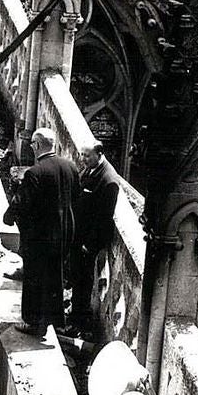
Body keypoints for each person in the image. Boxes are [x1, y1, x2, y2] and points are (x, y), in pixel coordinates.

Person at [10, 128, 77, 336]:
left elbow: (23, 203)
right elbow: (75, 196)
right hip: (64, 233)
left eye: (32, 144)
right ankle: (56, 321)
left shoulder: (35, 173)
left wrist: (9, 215)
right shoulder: (70, 167)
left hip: (40, 236)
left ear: (37, 145)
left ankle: (32, 322)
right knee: (56, 276)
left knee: (33, 277)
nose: (31, 147)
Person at [70, 139, 123, 335]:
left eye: (87, 156)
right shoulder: (91, 169)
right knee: (76, 277)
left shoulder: (109, 181)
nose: (83, 159)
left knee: (83, 282)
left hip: (88, 242)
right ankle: (75, 314)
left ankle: (78, 324)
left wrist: (89, 245)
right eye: (82, 155)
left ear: (99, 155)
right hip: (79, 236)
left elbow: (103, 218)